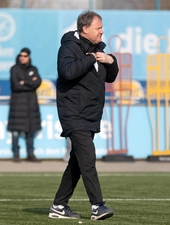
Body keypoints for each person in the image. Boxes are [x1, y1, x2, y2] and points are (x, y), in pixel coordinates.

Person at [49, 10, 118, 220]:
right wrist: (90, 59)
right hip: (73, 113)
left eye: (102, 27)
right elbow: (67, 72)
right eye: (98, 28)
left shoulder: (98, 50)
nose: (102, 31)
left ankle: (58, 206)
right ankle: (98, 205)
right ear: (84, 28)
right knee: (88, 158)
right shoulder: (69, 47)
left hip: (90, 115)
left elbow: (111, 78)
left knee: (77, 162)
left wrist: (110, 60)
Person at [7, 48, 42, 163]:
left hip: (31, 104)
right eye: (21, 55)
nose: (22, 57)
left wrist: (25, 82)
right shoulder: (14, 69)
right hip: (17, 104)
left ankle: (30, 153)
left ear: (29, 57)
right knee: (16, 131)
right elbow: (15, 86)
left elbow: (37, 83)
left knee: (30, 130)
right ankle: (16, 153)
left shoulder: (33, 69)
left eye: (25, 55)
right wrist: (30, 82)